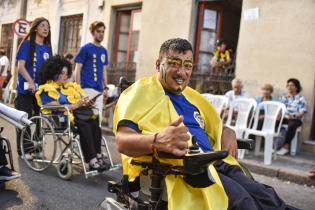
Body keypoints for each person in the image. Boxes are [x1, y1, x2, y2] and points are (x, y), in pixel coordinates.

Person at [114, 38, 289, 210]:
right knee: (243, 203)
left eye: (187, 65)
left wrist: (228, 132)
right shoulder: (140, 93)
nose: (182, 72)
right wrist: (156, 140)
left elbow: (214, 125)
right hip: (182, 169)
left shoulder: (192, 97)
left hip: (215, 161)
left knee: (267, 196)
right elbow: (123, 140)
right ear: (158, 63)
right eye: (174, 63)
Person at [35, 55, 109, 172]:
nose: (65, 76)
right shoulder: (46, 88)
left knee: (94, 123)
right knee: (85, 125)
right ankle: (91, 160)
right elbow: (52, 105)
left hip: (75, 116)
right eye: (62, 73)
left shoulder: (67, 87)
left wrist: (86, 103)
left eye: (66, 73)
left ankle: (97, 155)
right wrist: (75, 105)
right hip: (60, 119)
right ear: (53, 73)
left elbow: (76, 104)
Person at [14, 17, 53, 156]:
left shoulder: (48, 48)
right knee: (24, 119)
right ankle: (24, 149)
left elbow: (50, 70)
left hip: (40, 91)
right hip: (25, 89)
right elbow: (21, 67)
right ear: (35, 28)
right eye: (43, 25)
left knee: (40, 120)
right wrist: (30, 81)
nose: (46, 28)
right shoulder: (26, 45)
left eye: (47, 26)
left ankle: (37, 147)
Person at [74, 21, 108, 118]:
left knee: (98, 120)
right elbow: (77, 69)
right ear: (93, 32)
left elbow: (104, 70)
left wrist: (106, 87)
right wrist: (79, 89)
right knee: (87, 119)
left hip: (99, 90)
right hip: (87, 89)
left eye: (103, 32)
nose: (101, 34)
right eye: (98, 31)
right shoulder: (85, 48)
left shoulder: (104, 51)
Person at [277, 78, 307, 155]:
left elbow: (302, 111)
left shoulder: (301, 98)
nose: (289, 87)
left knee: (292, 125)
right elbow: (279, 109)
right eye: (288, 85)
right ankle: (274, 145)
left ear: (296, 87)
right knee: (272, 122)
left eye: (292, 85)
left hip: (295, 119)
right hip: (284, 118)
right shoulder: (284, 97)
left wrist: (294, 115)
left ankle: (285, 147)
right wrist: (278, 116)